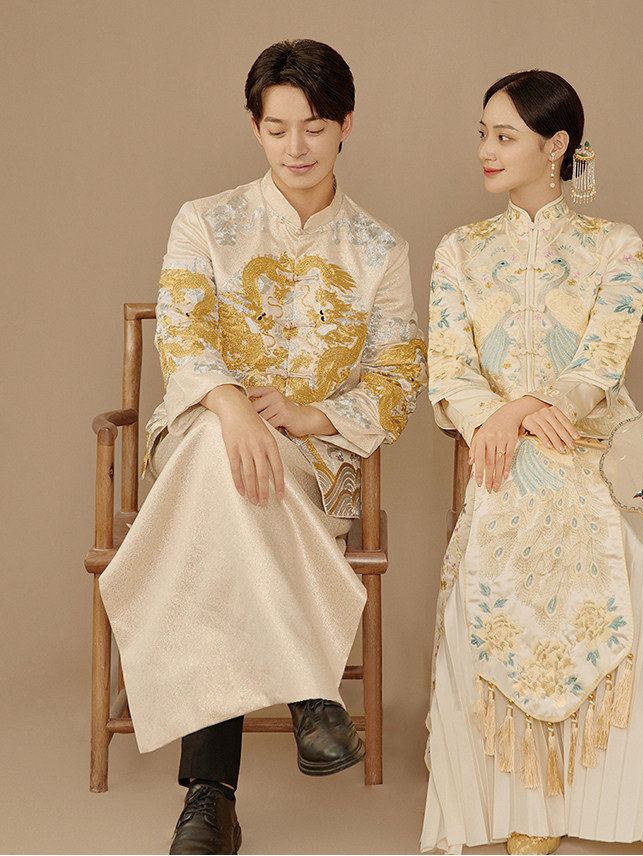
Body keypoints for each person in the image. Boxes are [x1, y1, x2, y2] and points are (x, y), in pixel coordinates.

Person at [99, 39, 426, 855]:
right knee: (218, 454)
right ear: (254, 128)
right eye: (277, 129)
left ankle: (210, 796)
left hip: (311, 466)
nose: (296, 148)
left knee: (221, 502)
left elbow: (399, 376)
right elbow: (182, 333)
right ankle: (312, 685)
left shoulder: (380, 249)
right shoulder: (204, 221)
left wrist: (311, 419)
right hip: (200, 437)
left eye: (314, 128)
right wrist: (231, 410)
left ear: (346, 125)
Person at [421, 70, 643, 855]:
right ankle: (524, 796)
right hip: (501, 450)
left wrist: (528, 406)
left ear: (555, 144)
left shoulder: (615, 245)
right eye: (484, 133)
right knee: (510, 538)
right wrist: (497, 418)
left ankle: (613, 789)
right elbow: (448, 371)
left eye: (505, 136)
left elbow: (600, 362)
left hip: (595, 446)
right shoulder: (460, 251)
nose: (486, 149)